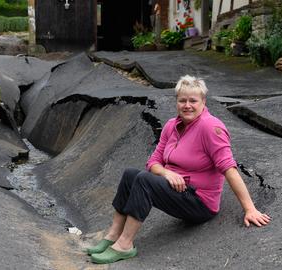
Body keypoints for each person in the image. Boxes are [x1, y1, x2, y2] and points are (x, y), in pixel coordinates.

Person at [86, 75, 271, 264]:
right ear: (176, 101)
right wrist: (167, 173)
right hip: (177, 189)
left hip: (199, 202)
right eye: (182, 100)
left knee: (144, 180)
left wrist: (250, 209)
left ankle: (125, 245)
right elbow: (153, 163)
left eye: (193, 100)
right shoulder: (171, 126)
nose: (187, 105)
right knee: (130, 175)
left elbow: (229, 168)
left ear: (203, 102)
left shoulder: (211, 127)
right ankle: (113, 235)